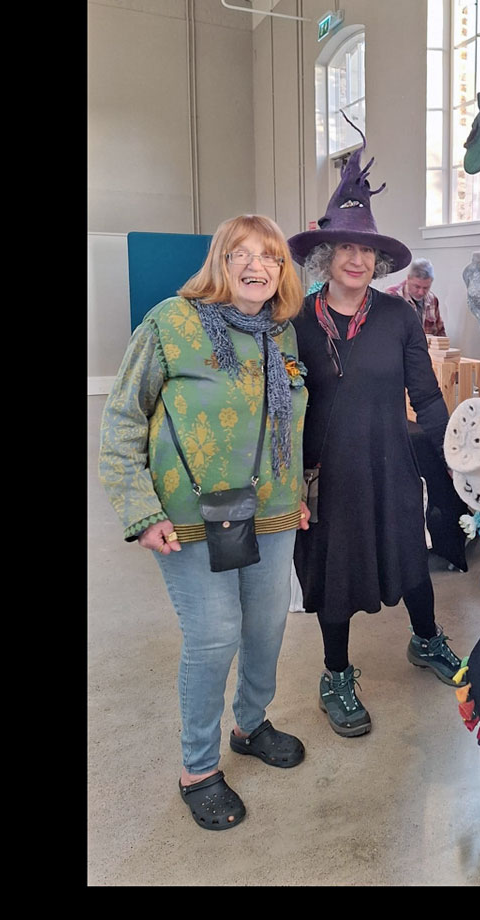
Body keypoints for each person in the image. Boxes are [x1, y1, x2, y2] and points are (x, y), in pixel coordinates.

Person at [99, 214, 312, 831]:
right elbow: (122, 419)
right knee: (215, 635)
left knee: (267, 628)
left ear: (281, 270)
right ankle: (198, 767)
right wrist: (141, 511)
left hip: (272, 513)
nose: (256, 266)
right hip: (191, 516)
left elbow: (286, 423)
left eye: (269, 256)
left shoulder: (282, 334)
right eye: (240, 253)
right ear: (219, 261)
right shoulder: (169, 323)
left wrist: (296, 493)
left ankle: (251, 725)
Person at [288, 121, 461, 738]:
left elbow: (426, 394)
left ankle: (426, 639)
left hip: (390, 462)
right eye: (346, 247)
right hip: (326, 471)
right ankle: (335, 674)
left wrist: (453, 458)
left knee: (409, 555)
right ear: (325, 256)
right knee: (333, 569)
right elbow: (280, 407)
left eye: (367, 250)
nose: (357, 259)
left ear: (379, 259)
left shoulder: (398, 316)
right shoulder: (295, 322)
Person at [386, 258, 447, 336]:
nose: (421, 292)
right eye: (417, 287)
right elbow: (386, 331)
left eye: (426, 288)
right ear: (408, 278)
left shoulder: (432, 300)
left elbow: (440, 333)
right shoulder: (392, 296)